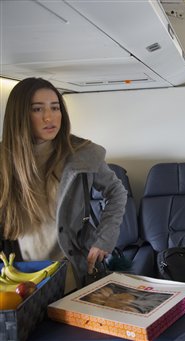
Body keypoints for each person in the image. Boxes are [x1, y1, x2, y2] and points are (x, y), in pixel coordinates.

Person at [0, 77, 127, 291]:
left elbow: (116, 192)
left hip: (70, 271)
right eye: (37, 109)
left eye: (55, 107)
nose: (49, 117)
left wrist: (104, 239)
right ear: (19, 115)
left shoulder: (82, 154)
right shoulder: (5, 159)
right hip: (20, 275)